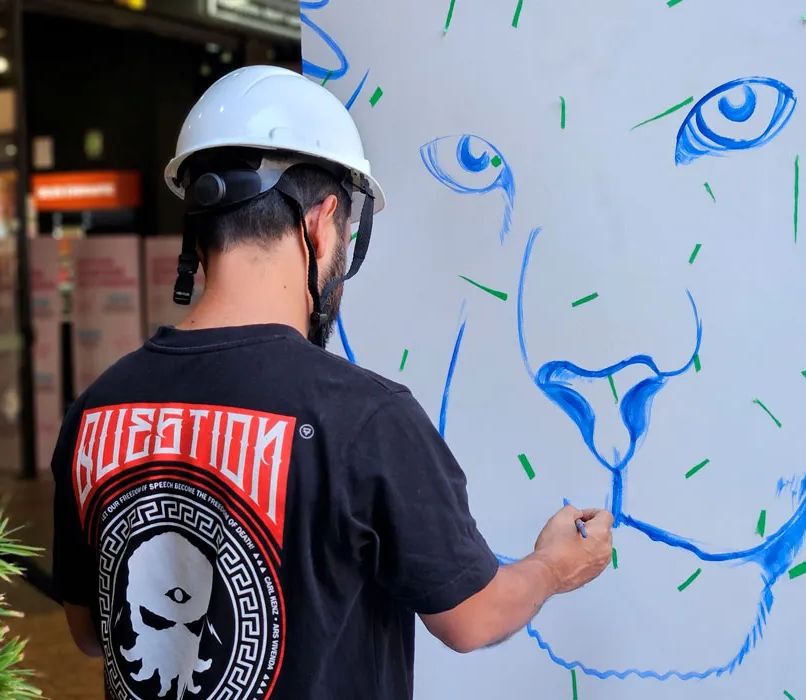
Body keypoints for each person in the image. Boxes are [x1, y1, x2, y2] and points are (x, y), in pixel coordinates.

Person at [50, 64, 613, 700]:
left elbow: (90, 628)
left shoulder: (98, 408)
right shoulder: (366, 418)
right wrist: (554, 567)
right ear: (321, 223)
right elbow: (474, 617)